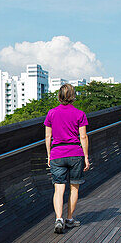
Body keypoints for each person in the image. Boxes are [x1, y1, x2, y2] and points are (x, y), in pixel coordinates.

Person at [43, 83, 90, 233]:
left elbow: (48, 136)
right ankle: (69, 218)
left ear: (59, 95)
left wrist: (49, 155)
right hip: (75, 153)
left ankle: (58, 219)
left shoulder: (51, 113)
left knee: (58, 189)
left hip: (57, 154)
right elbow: (83, 136)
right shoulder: (79, 114)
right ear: (72, 96)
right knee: (74, 187)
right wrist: (86, 157)